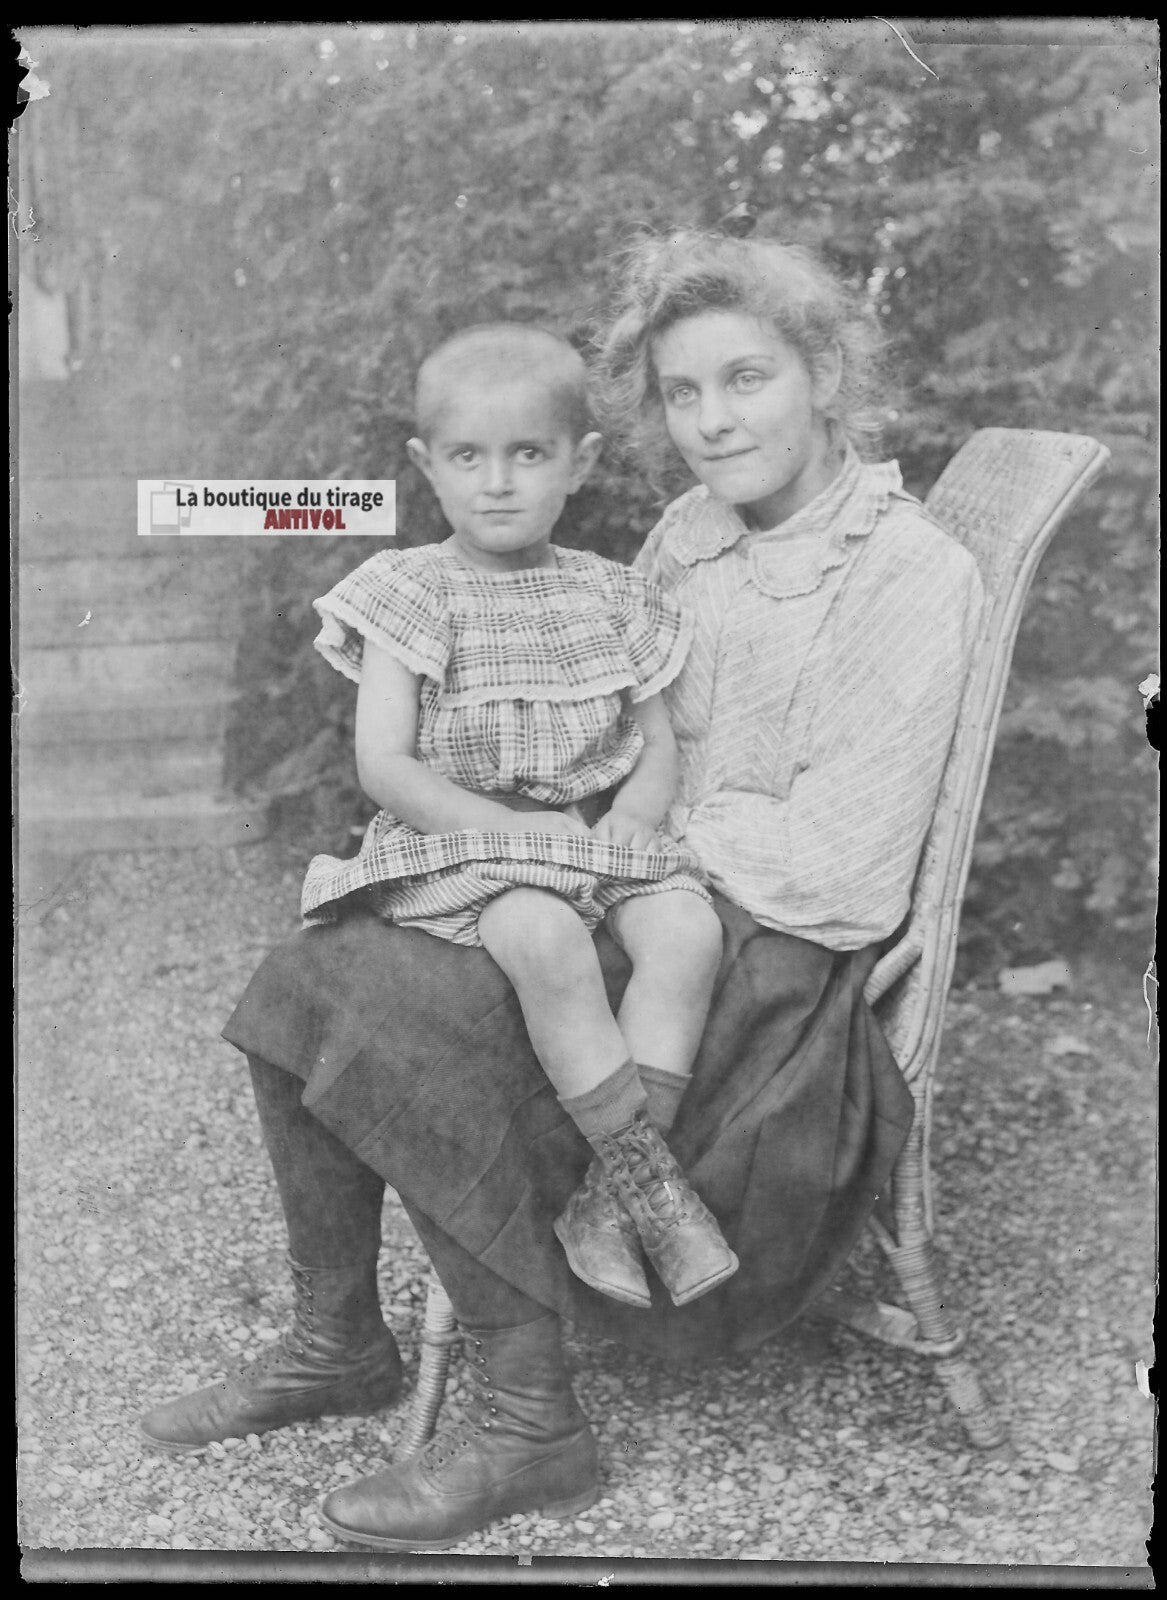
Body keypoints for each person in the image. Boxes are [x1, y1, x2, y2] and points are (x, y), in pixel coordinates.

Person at [140, 230, 984, 1555]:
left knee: (396, 1001)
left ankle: (531, 1417)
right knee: (314, 962)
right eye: (682, 392)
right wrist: (557, 833)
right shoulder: (689, 534)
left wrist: (602, 849)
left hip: (768, 957)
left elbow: (844, 868)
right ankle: (337, 1337)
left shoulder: (906, 571)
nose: (712, 421)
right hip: (629, 881)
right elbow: (605, 726)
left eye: (746, 378)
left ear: (824, 372)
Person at [299, 323, 736, 1311]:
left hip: (586, 833)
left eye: (528, 454)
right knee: (543, 935)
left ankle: (611, 1204)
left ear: (578, 463)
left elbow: (654, 739)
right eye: (468, 457)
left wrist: (636, 811)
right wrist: (505, 832)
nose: (497, 483)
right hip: (461, 838)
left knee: (688, 930)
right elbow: (385, 764)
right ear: (426, 466)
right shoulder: (412, 592)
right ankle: (651, 1186)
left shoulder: (610, 594)